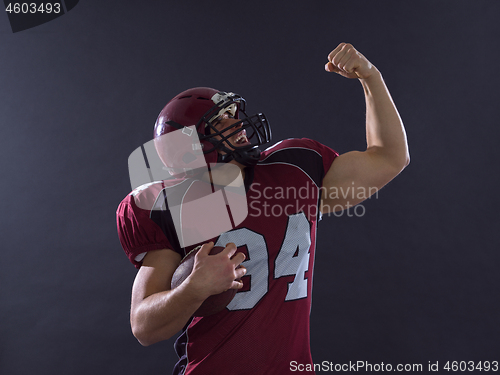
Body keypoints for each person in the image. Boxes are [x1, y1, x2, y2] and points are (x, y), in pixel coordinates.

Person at [116, 43, 409, 375]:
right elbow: (144, 326)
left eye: (232, 114)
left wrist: (371, 77)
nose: (238, 124)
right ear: (190, 149)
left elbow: (389, 158)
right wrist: (193, 289)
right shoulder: (170, 209)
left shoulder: (293, 170)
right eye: (221, 121)